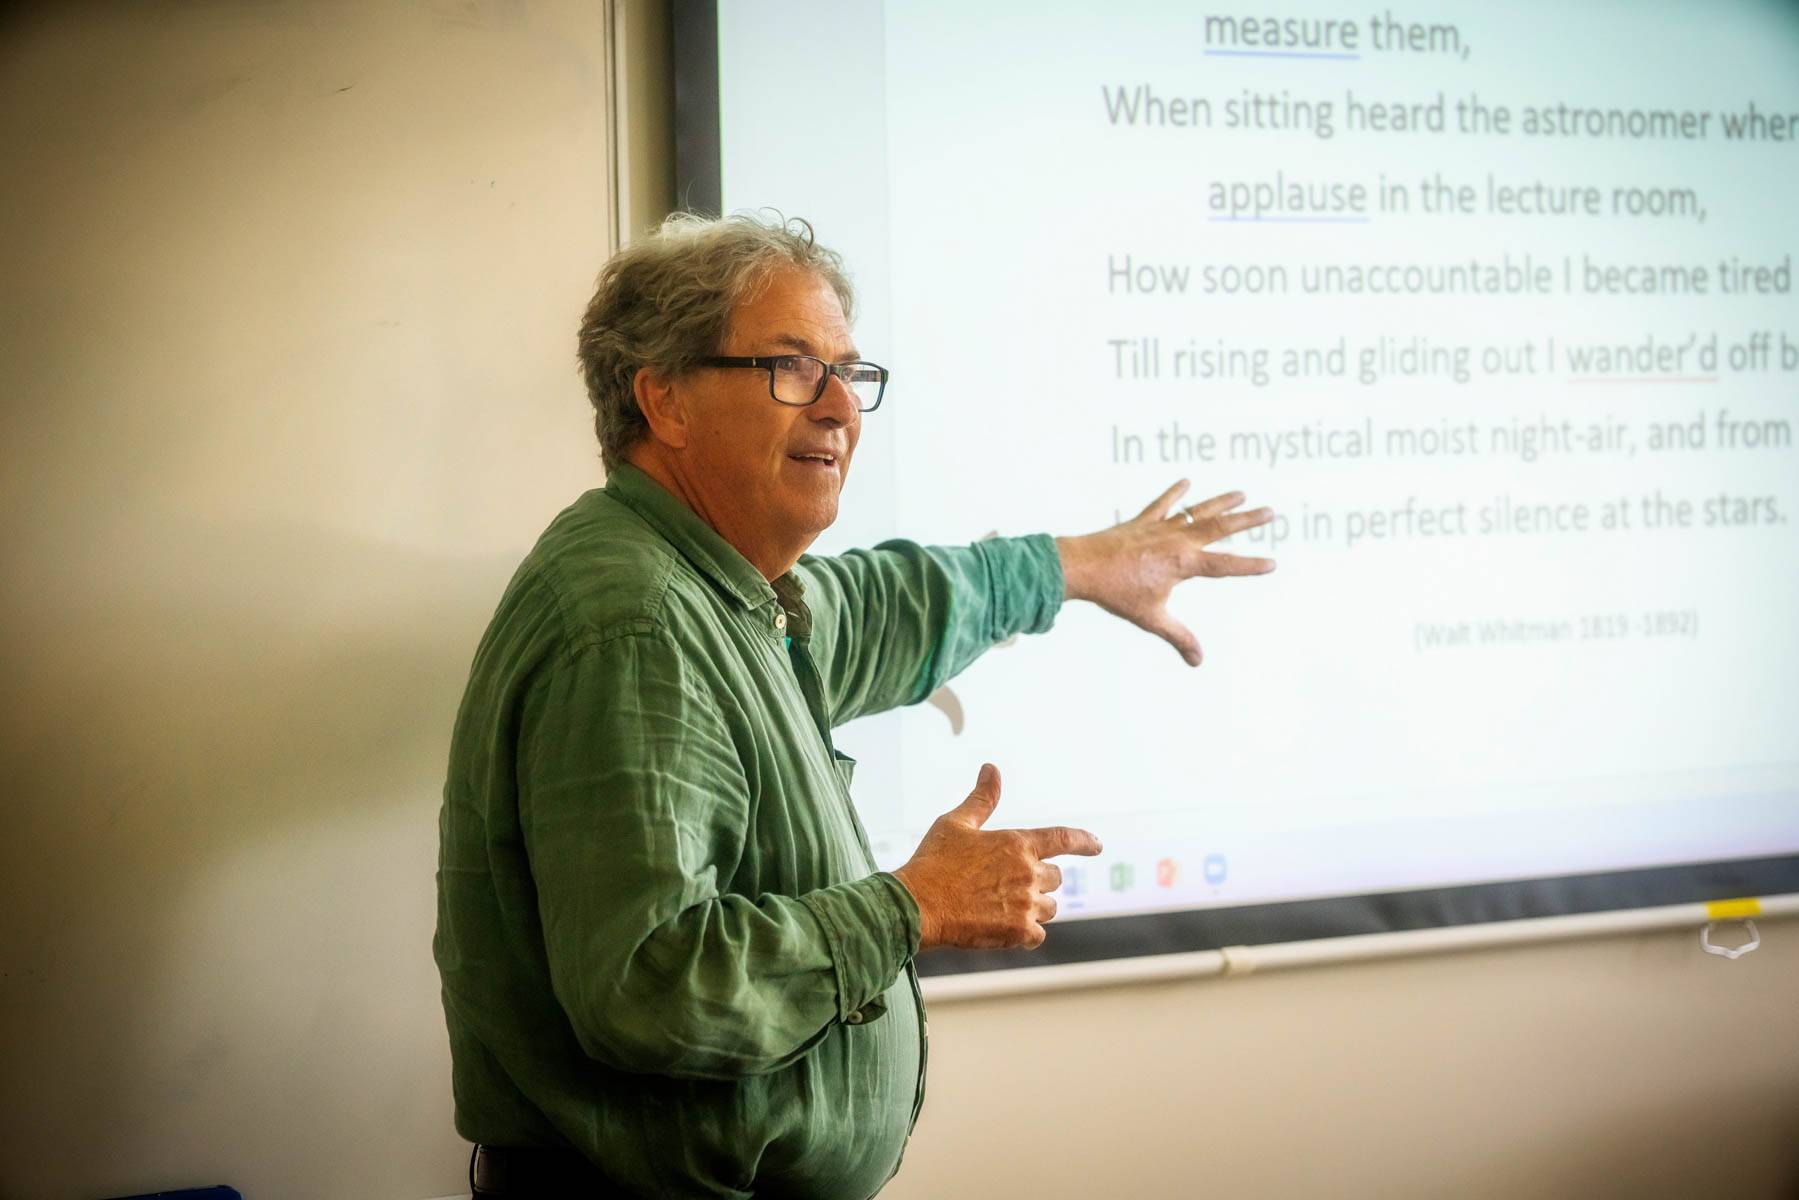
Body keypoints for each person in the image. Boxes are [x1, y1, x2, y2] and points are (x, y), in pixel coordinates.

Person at [433, 213, 1275, 1199]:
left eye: (850, 371)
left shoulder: (720, 587)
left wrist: (1088, 566)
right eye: (791, 367)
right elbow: (653, 989)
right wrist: (912, 904)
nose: (840, 408)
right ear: (661, 397)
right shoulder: (640, 628)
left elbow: (892, 605)